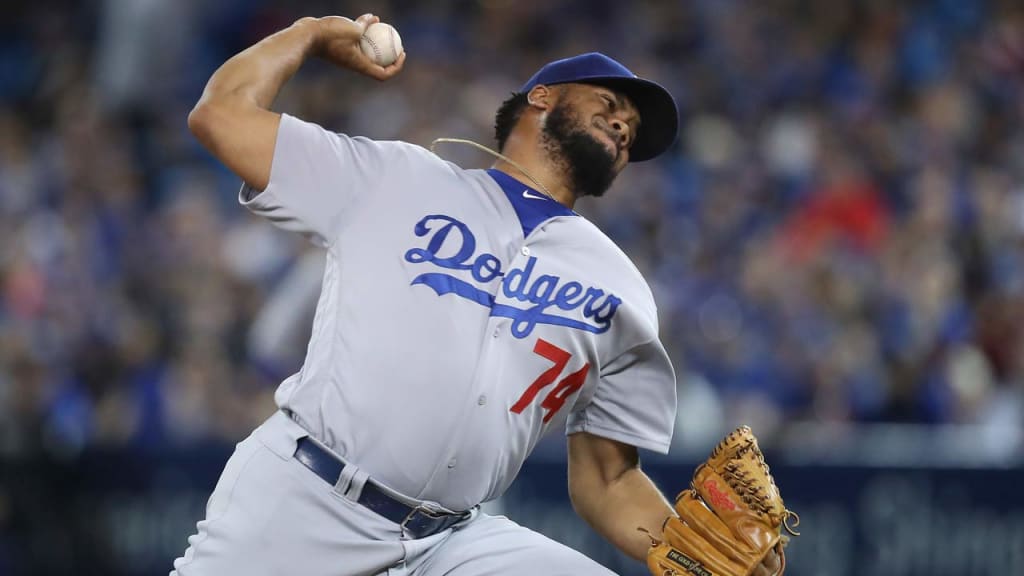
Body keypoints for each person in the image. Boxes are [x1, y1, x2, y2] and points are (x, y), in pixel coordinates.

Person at [177, 12, 783, 576]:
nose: (625, 125)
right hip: (303, 501)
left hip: (453, 545)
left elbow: (607, 479)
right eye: (610, 102)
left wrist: (699, 559)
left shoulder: (620, 285)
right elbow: (221, 113)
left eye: (633, 130)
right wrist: (308, 34)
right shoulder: (396, 178)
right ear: (541, 98)